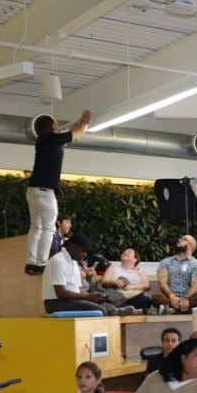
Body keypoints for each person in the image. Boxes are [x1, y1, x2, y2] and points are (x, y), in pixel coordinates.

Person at [26, 111, 91, 274]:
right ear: (51, 126)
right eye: (55, 122)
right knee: (48, 229)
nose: (58, 124)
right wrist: (86, 120)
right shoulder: (54, 139)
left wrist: (79, 121)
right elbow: (78, 132)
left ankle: (31, 262)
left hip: (33, 190)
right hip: (45, 192)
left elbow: (71, 132)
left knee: (35, 228)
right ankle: (41, 263)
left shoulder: (43, 141)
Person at [42, 234, 123, 315]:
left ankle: (117, 311)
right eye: (83, 251)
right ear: (73, 247)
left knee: (108, 306)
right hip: (55, 303)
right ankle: (117, 312)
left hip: (71, 301)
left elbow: (80, 290)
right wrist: (87, 297)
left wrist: (94, 296)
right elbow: (61, 294)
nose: (85, 255)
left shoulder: (74, 263)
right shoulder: (59, 261)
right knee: (102, 310)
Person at [152, 234, 197, 314]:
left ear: (190, 246)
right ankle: (184, 310)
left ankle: (171, 310)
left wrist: (186, 298)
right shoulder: (165, 262)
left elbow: (196, 286)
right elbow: (162, 282)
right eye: (180, 238)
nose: (179, 240)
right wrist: (172, 296)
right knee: (155, 297)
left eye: (184, 239)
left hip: (189, 300)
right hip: (169, 298)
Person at [98, 248, 152, 312]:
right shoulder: (113, 268)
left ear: (135, 259)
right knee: (107, 300)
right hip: (116, 296)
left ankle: (122, 309)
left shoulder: (140, 270)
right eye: (124, 252)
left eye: (129, 252)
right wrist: (114, 282)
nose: (125, 253)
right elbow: (104, 282)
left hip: (134, 296)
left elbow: (147, 285)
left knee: (145, 300)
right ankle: (127, 310)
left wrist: (133, 287)